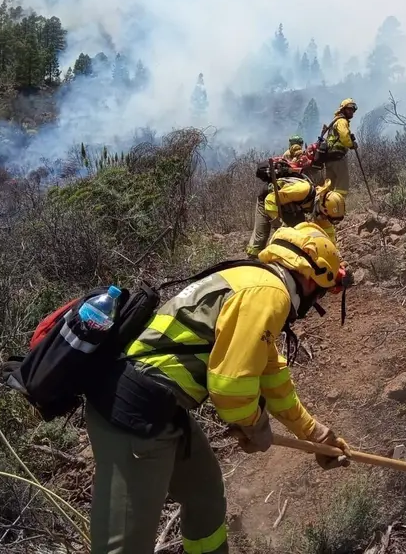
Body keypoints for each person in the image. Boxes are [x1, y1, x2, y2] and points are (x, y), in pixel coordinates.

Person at [84, 223, 351, 554]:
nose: (317, 301)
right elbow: (230, 387)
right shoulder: (269, 294)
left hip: (164, 409)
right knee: (124, 547)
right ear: (311, 279)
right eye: (322, 292)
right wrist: (255, 426)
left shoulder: (253, 279)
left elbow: (272, 377)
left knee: (204, 494)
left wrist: (316, 436)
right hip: (135, 415)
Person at [245, 175, 346, 257]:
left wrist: (337, 256)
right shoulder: (302, 191)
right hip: (268, 199)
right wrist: (279, 224)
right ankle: (252, 260)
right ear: (322, 207)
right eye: (324, 217)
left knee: (296, 233)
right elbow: (270, 200)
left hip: (287, 206)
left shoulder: (324, 208)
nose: (323, 219)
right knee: (261, 236)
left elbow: (329, 234)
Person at [317, 98, 358, 195]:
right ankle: (339, 206)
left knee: (329, 185)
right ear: (343, 110)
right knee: (342, 185)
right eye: (349, 109)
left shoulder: (335, 121)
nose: (352, 112)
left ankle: (323, 206)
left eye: (353, 110)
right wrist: (351, 144)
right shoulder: (342, 121)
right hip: (338, 158)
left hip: (329, 159)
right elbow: (344, 136)